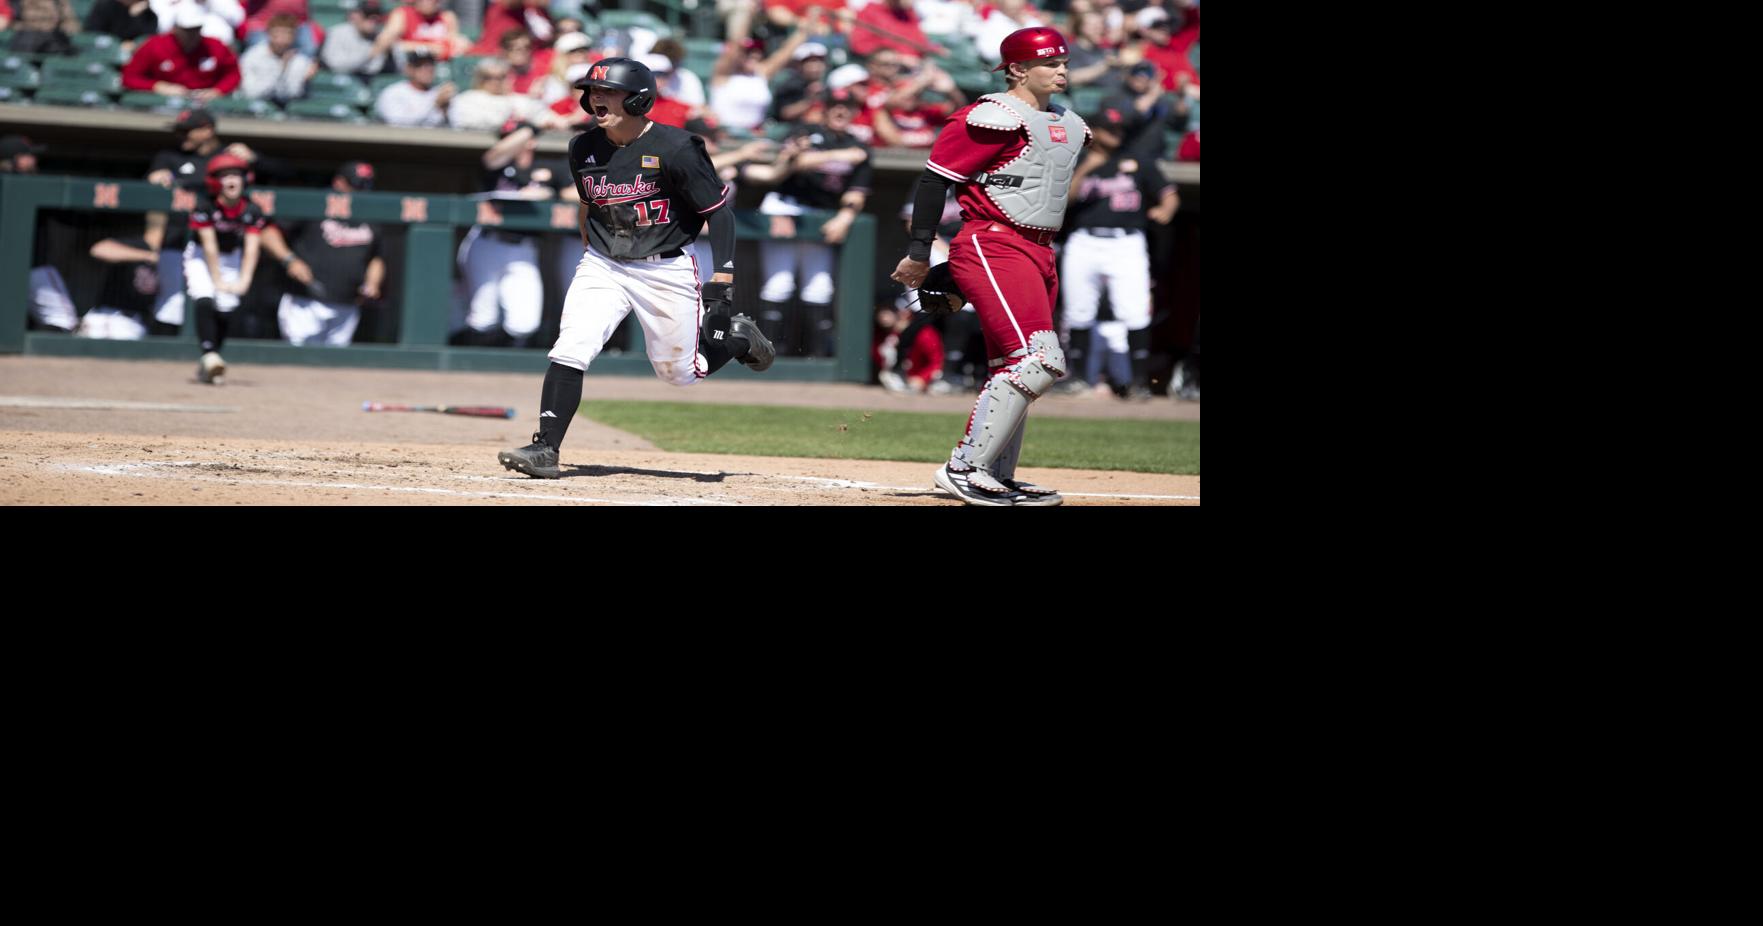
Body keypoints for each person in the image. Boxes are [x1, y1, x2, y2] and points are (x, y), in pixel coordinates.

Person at [497, 58, 775, 479]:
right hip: (605, 265)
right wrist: (590, 245)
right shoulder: (583, 147)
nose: (596, 98)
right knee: (572, 346)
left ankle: (737, 340)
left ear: (639, 98)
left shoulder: (678, 148)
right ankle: (546, 448)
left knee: (680, 374)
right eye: (592, 91)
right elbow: (589, 203)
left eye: (608, 91)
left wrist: (723, 279)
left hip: (665, 269)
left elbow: (719, 214)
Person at [889, 26, 1088, 507]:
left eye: (1063, 62)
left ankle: (997, 471)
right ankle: (964, 467)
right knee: (1039, 361)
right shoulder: (989, 116)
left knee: (1010, 363)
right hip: (993, 242)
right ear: (1017, 69)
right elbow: (935, 181)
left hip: (1040, 249)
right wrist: (920, 251)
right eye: (1050, 63)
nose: (1061, 70)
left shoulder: (1067, 121)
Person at [1058, 103, 1177, 400]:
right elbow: (1064, 201)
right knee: (1079, 311)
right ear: (1094, 131)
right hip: (1084, 240)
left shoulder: (1137, 159)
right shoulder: (1079, 160)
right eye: (1109, 128)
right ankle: (1081, 379)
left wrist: (1166, 208)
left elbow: (1169, 193)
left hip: (1126, 242)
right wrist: (1089, 165)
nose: (1116, 133)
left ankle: (1138, 382)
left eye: (1119, 128)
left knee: (1134, 310)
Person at [754, 87, 870, 356]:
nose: (840, 111)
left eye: (847, 106)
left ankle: (815, 360)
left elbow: (857, 192)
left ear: (854, 111)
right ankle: (768, 355)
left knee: (819, 288)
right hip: (785, 207)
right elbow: (795, 162)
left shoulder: (859, 145)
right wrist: (840, 156)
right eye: (835, 105)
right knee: (778, 283)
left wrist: (846, 216)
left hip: (822, 215)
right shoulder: (805, 131)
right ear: (825, 108)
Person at [259, 161, 386, 346]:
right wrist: (290, 260)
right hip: (305, 300)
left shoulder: (369, 212)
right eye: (355, 185)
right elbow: (267, 233)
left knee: (333, 366)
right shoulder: (315, 203)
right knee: (299, 358)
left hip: (348, 302)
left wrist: (372, 283)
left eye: (365, 185)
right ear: (339, 182)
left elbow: (376, 256)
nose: (360, 190)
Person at [452, 119, 556, 346]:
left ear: (531, 143)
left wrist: (548, 193)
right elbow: (494, 154)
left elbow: (573, 192)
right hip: (487, 242)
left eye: (514, 137)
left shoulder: (545, 169)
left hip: (523, 247)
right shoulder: (496, 165)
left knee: (524, 323)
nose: (509, 142)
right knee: (482, 317)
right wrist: (535, 126)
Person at [186, 152, 269, 384]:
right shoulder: (205, 205)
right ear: (215, 181)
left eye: (236, 175)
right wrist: (217, 279)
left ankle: (212, 359)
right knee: (204, 295)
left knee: (226, 307)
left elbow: (252, 248)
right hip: (201, 256)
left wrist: (245, 279)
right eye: (225, 176)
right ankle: (209, 355)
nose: (232, 181)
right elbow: (209, 246)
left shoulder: (252, 209)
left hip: (232, 256)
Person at [1, 134, 81, 333]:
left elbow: (69, 216)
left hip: (27, 266)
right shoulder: (28, 184)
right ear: (13, 159)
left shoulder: (36, 183)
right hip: (32, 268)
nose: (34, 160)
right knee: (63, 320)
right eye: (28, 156)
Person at [121, 2, 241, 102]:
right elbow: (129, 77)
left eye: (196, 29)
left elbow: (233, 74)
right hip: (162, 103)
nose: (192, 34)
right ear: (176, 28)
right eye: (187, 30)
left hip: (204, 103)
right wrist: (157, 86)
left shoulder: (215, 46)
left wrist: (217, 91)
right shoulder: (155, 45)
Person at [77, 234, 161, 340]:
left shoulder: (180, 256)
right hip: (104, 315)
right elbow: (98, 249)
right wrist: (149, 255)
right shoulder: (141, 246)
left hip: (133, 324)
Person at [238, 12, 317, 103]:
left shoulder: (299, 61)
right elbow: (251, 93)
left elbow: (292, 94)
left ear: (294, 36)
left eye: (287, 34)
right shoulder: (252, 57)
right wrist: (280, 68)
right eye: (277, 34)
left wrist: (304, 81)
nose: (281, 39)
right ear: (269, 34)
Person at [369, 0, 471, 65]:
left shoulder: (447, 16)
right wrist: (427, 47)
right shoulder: (403, 14)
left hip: (440, 65)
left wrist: (459, 43)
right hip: (411, 65)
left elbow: (454, 43)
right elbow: (388, 43)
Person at [373, 47, 455, 126]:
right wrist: (435, 105)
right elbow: (399, 126)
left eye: (430, 64)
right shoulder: (393, 93)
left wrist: (445, 111)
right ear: (409, 68)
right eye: (420, 65)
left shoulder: (439, 93)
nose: (427, 69)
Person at [320, 0, 392, 77]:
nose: (372, 20)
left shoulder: (380, 35)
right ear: (354, 16)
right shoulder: (337, 32)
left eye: (377, 16)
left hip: (367, 81)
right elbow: (334, 64)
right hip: (337, 82)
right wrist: (370, 54)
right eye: (367, 15)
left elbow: (374, 68)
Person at [81, 0, 160, 56]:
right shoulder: (105, 5)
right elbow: (91, 34)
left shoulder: (149, 15)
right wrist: (118, 45)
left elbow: (148, 39)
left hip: (132, 57)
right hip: (102, 53)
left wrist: (135, 15)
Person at [6, 0, 79, 54]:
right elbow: (18, 16)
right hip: (28, 33)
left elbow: (69, 20)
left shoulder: (60, 2)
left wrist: (69, 28)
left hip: (53, 35)